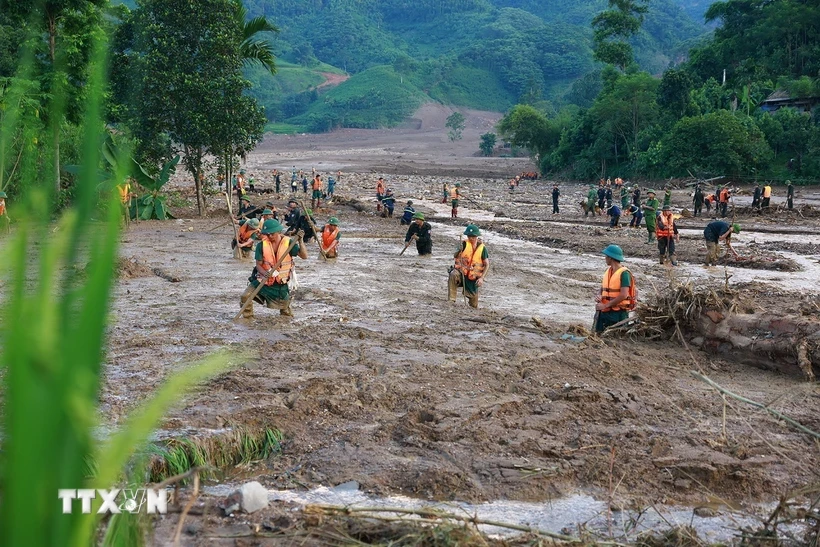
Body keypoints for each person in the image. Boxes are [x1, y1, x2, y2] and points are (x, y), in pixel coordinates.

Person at [239, 219, 308, 318]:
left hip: (280, 283)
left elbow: (304, 256)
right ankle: (248, 318)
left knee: (285, 310)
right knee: (245, 296)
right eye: (267, 234)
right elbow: (258, 264)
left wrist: (300, 242)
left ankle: (286, 323)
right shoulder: (261, 245)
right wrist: (264, 273)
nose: (270, 236)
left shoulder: (289, 243)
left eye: (272, 234)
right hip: (264, 279)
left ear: (278, 232)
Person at [594, 245, 636, 333]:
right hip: (604, 312)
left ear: (610, 258)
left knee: (615, 337)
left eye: (606, 256)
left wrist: (605, 305)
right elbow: (603, 288)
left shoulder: (624, 273)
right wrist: (599, 294)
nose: (605, 258)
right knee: (599, 334)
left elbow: (623, 295)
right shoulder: (609, 271)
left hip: (618, 314)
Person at [449, 224, 489, 309]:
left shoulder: (482, 248)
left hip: (473, 277)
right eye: (469, 236)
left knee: (474, 305)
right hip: (461, 274)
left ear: (477, 236)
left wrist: (481, 278)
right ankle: (451, 301)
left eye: (473, 236)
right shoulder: (463, 244)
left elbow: (487, 264)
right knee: (453, 274)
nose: (471, 238)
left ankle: (473, 307)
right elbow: (455, 255)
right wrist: (459, 250)